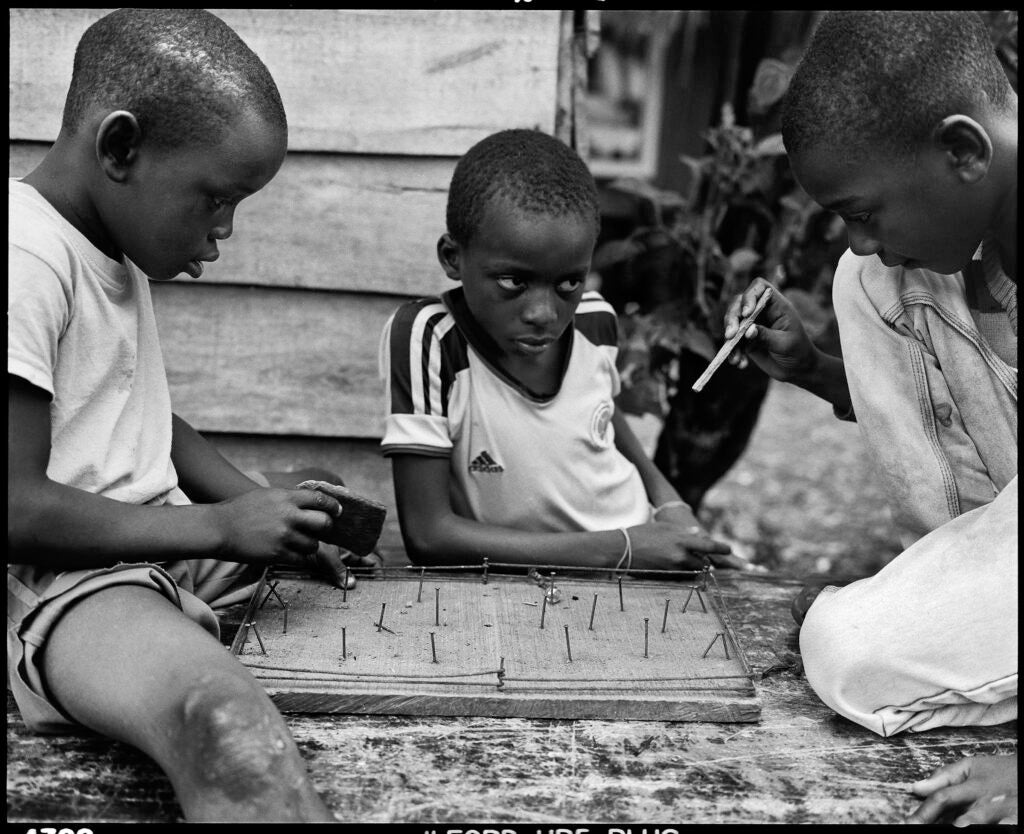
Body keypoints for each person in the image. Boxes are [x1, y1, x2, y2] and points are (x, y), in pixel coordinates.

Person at [7, 9, 350, 822]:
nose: (223, 234)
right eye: (215, 199)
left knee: (322, 500)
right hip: (70, 584)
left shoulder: (106, 246)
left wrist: (267, 511)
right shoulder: (26, 256)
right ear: (120, 148)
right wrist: (224, 528)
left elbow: (144, 421)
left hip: (156, 544)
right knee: (227, 729)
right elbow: (13, 507)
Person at [723, 11, 1017, 826]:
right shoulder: (939, 259)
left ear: (963, 150)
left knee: (848, 650)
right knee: (866, 284)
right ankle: (965, 605)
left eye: (863, 211)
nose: (860, 238)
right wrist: (813, 372)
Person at [378, 128, 740, 573]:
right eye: (514, 282)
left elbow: (600, 410)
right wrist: (622, 548)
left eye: (569, 282)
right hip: (569, 573)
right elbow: (428, 536)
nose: (544, 313)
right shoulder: (431, 339)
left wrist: (667, 503)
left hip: (644, 562)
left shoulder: (592, 317)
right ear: (453, 257)